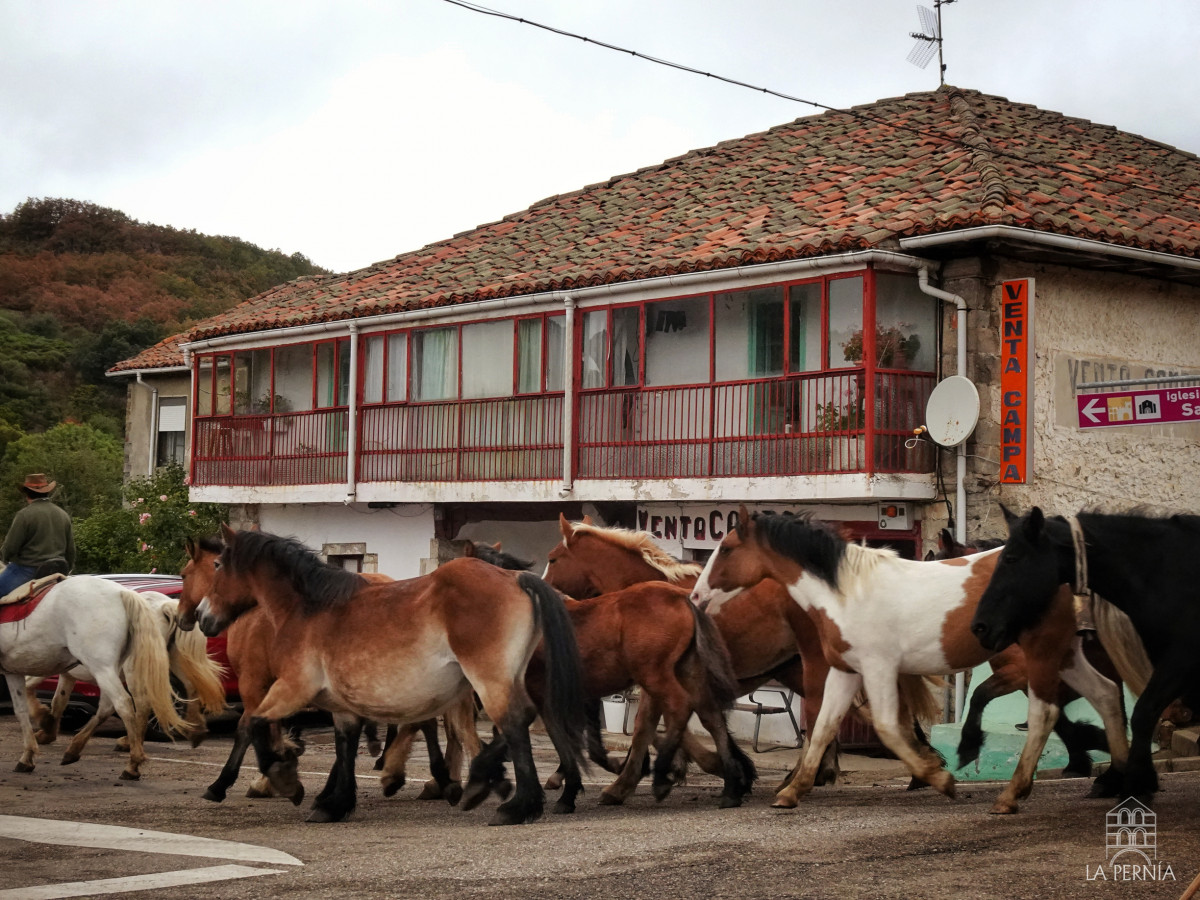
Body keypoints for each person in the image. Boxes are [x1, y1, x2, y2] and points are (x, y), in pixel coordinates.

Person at [0, 474, 75, 597]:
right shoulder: (63, 514)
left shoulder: (24, 515)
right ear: (47, 492)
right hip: (59, 568)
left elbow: (10, 548)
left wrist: (4, 557)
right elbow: (71, 551)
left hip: (28, 570)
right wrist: (68, 569)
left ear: (27, 493)